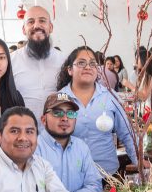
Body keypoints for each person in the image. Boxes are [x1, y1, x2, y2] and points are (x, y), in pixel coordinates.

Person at [54, 46, 137, 175]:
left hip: (107, 175)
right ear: (70, 70)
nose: (87, 67)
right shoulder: (59, 99)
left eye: (92, 63)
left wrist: (140, 162)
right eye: (81, 63)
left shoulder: (110, 97)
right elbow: (50, 141)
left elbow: (127, 134)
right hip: (71, 177)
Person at [36, 92, 102, 192]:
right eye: (57, 112)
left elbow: (95, 187)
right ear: (43, 119)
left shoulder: (81, 147)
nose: (65, 118)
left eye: (71, 113)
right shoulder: (34, 148)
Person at [10, 6, 65, 118]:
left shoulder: (64, 61)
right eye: (30, 22)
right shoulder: (11, 61)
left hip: (57, 131)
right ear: (23, 29)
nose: (36, 25)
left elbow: (70, 95)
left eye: (42, 21)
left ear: (50, 27)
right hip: (22, 130)